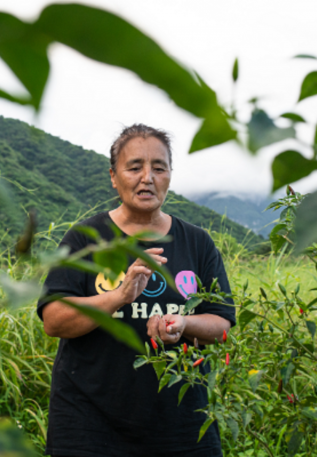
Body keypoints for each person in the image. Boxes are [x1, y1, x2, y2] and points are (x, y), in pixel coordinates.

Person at [37, 124, 235, 457]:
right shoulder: (85, 239)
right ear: (114, 176)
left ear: (170, 175)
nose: (148, 177)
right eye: (135, 167)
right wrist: (117, 297)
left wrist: (184, 324)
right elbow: (54, 321)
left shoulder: (197, 243)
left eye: (159, 167)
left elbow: (222, 324)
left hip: (180, 424)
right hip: (88, 424)